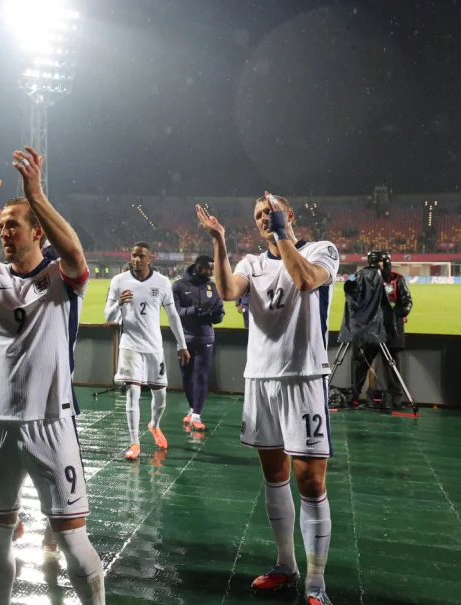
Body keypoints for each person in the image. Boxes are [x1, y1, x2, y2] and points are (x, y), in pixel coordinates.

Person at [0, 151, 104, 605]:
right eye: (3, 224)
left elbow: (74, 252)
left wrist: (36, 195)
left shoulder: (61, 279)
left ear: (37, 231)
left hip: (50, 423)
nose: (6, 231)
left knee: (72, 539)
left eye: (14, 223)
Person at [196, 193, 339, 605]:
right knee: (274, 475)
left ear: (287, 215)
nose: (263, 219)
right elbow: (226, 291)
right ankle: (285, 563)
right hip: (260, 379)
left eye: (269, 213)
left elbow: (306, 280)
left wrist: (283, 236)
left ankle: (316, 582)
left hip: (304, 377)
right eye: (259, 216)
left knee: (310, 480)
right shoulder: (250, 263)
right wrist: (220, 241)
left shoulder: (320, 250)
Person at [104, 242, 189, 461]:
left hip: (153, 347)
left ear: (150, 258)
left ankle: (155, 425)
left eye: (141, 256)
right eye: (133, 255)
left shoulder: (161, 282)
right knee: (132, 392)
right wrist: (118, 305)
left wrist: (182, 345)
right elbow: (108, 316)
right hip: (130, 345)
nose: (137, 259)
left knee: (160, 396)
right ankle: (134, 442)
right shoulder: (119, 281)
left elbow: (172, 316)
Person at [351, 250, 412, 409]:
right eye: (371, 265)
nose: (375, 268)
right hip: (370, 330)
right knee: (362, 362)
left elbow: (406, 304)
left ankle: (395, 398)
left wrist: (389, 314)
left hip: (391, 330)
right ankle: (354, 395)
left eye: (378, 264)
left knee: (391, 366)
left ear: (386, 264)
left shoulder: (397, 280)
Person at [173, 255, 225, 430]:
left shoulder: (212, 287)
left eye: (212, 268)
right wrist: (196, 310)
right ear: (198, 267)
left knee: (201, 375)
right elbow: (176, 312)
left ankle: (197, 415)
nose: (211, 272)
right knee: (187, 376)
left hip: (205, 338)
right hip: (184, 339)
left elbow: (218, 316)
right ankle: (191, 409)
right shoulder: (179, 286)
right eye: (208, 268)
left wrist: (217, 314)